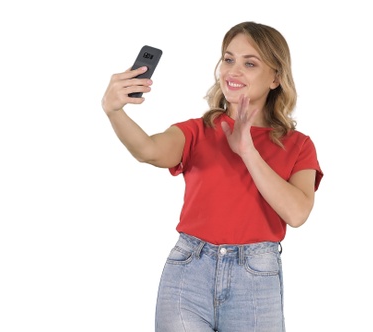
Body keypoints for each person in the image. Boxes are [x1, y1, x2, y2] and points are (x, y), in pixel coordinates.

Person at [101, 21, 323, 332]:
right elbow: (149, 150)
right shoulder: (197, 130)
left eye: (250, 63)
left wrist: (248, 151)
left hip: (256, 282)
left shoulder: (298, 145)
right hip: (189, 272)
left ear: (275, 77)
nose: (234, 70)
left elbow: (297, 213)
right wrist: (115, 112)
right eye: (229, 59)